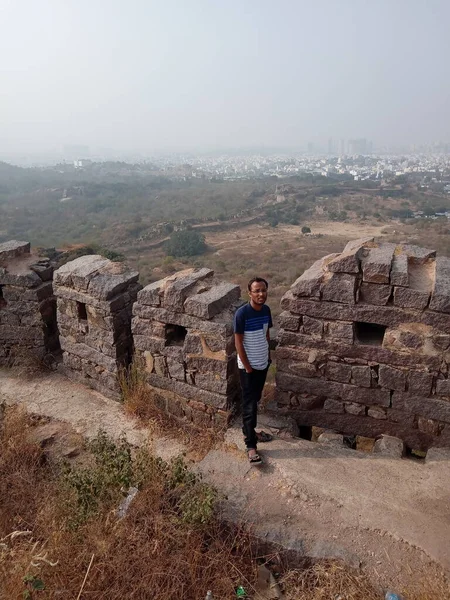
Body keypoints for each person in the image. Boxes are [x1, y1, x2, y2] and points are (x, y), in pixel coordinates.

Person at [234, 277, 273, 464]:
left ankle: (249, 430)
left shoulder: (266, 311)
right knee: (249, 406)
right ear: (249, 293)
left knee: (255, 400)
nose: (260, 294)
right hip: (248, 368)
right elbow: (238, 342)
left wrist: (267, 356)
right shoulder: (242, 314)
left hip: (262, 364)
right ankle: (251, 446)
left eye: (263, 290)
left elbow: (266, 333)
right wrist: (247, 366)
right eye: (256, 291)